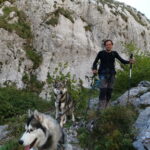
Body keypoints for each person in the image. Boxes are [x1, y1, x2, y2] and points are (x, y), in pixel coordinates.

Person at [92, 39, 134, 109]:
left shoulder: (114, 53)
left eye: (110, 44)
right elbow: (95, 62)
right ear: (105, 46)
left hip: (112, 75)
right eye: (107, 45)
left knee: (109, 91)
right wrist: (94, 69)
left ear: (112, 45)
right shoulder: (101, 53)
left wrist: (129, 62)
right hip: (102, 74)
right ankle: (101, 108)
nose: (108, 46)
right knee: (103, 90)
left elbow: (122, 61)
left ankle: (107, 107)